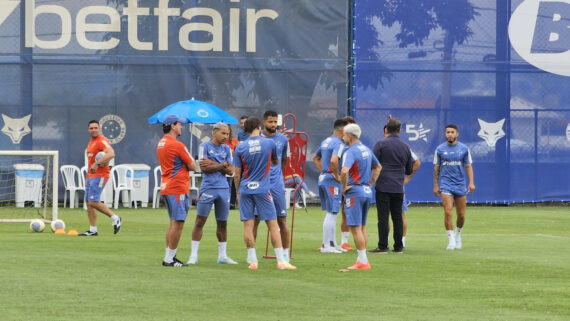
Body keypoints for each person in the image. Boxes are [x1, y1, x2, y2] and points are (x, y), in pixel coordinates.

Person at [233, 117, 296, 270]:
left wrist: (237, 192)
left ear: (246, 129)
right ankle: (281, 261)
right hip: (262, 189)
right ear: (259, 126)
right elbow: (275, 162)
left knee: (248, 225)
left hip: (246, 189)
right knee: (273, 225)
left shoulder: (240, 147)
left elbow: (236, 174)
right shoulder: (269, 143)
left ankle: (253, 261)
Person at [188, 122, 237, 265]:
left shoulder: (227, 149)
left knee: (223, 223)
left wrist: (215, 164)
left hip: (224, 189)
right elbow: (203, 167)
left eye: (227, 134)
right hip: (208, 188)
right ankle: (193, 256)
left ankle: (222, 256)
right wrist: (222, 165)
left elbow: (231, 170)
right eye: (223, 133)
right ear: (214, 132)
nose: (226, 136)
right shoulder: (204, 146)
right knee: (199, 222)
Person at [253, 110, 292, 262]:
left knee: (282, 219)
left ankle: (285, 254)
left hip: (276, 185)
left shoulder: (283, 139)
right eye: (270, 122)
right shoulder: (257, 139)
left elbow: (284, 160)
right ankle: (252, 254)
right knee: (255, 219)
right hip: (260, 184)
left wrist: (278, 176)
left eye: (275, 122)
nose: (273, 125)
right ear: (264, 122)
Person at [157, 115, 196, 267]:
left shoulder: (161, 143)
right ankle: (169, 259)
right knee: (178, 222)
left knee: (173, 222)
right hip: (177, 187)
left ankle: (169, 256)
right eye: (180, 124)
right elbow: (192, 166)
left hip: (167, 186)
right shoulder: (177, 145)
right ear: (173, 126)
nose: (182, 127)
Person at [340, 124, 381, 269]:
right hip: (366, 191)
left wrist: (344, 187)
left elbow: (344, 171)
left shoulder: (350, 151)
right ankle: (361, 259)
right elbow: (378, 167)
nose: (343, 137)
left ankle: (363, 261)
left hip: (355, 192)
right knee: (362, 227)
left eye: (344, 134)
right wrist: (370, 183)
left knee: (356, 228)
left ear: (350, 136)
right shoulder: (366, 149)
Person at [372, 118, 413, 254]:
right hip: (398, 187)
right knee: (397, 217)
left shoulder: (380, 144)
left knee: (383, 217)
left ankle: (383, 246)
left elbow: (374, 163)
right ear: (399, 130)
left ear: (386, 130)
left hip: (383, 185)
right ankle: (398, 246)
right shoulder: (405, 146)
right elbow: (409, 169)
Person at [433, 124, 475, 250]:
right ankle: (451, 240)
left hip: (460, 185)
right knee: (447, 211)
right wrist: (436, 185)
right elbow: (436, 168)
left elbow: (468, 166)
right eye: (447, 132)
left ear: (457, 134)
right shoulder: (440, 149)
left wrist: (471, 182)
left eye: (452, 132)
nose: (450, 134)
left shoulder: (464, 149)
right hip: (446, 185)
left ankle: (458, 235)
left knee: (461, 215)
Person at [79, 120, 122, 236]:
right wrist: (87, 177)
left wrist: (97, 163)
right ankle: (93, 230)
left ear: (99, 129)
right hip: (91, 176)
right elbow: (90, 161)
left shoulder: (101, 141)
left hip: (100, 175)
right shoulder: (91, 142)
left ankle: (115, 218)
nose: (93, 130)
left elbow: (111, 153)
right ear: (88, 130)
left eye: (95, 128)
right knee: (89, 202)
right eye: (91, 128)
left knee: (93, 201)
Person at [313, 119, 348, 253]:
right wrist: (336, 175)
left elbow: (316, 157)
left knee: (332, 211)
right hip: (331, 181)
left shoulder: (326, 141)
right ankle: (326, 245)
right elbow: (334, 161)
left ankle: (332, 244)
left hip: (323, 178)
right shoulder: (339, 143)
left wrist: (323, 171)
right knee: (332, 212)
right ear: (343, 131)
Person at [338, 115, 358, 250]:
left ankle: (351, 241)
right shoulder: (339, 146)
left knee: (353, 213)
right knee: (343, 212)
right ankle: (342, 241)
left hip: (354, 184)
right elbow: (333, 161)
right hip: (342, 183)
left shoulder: (357, 146)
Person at [225, 125, 238, 209]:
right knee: (225, 183)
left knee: (234, 183)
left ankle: (232, 203)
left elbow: (237, 152)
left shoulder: (234, 141)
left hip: (233, 164)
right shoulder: (220, 141)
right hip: (223, 165)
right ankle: (224, 202)